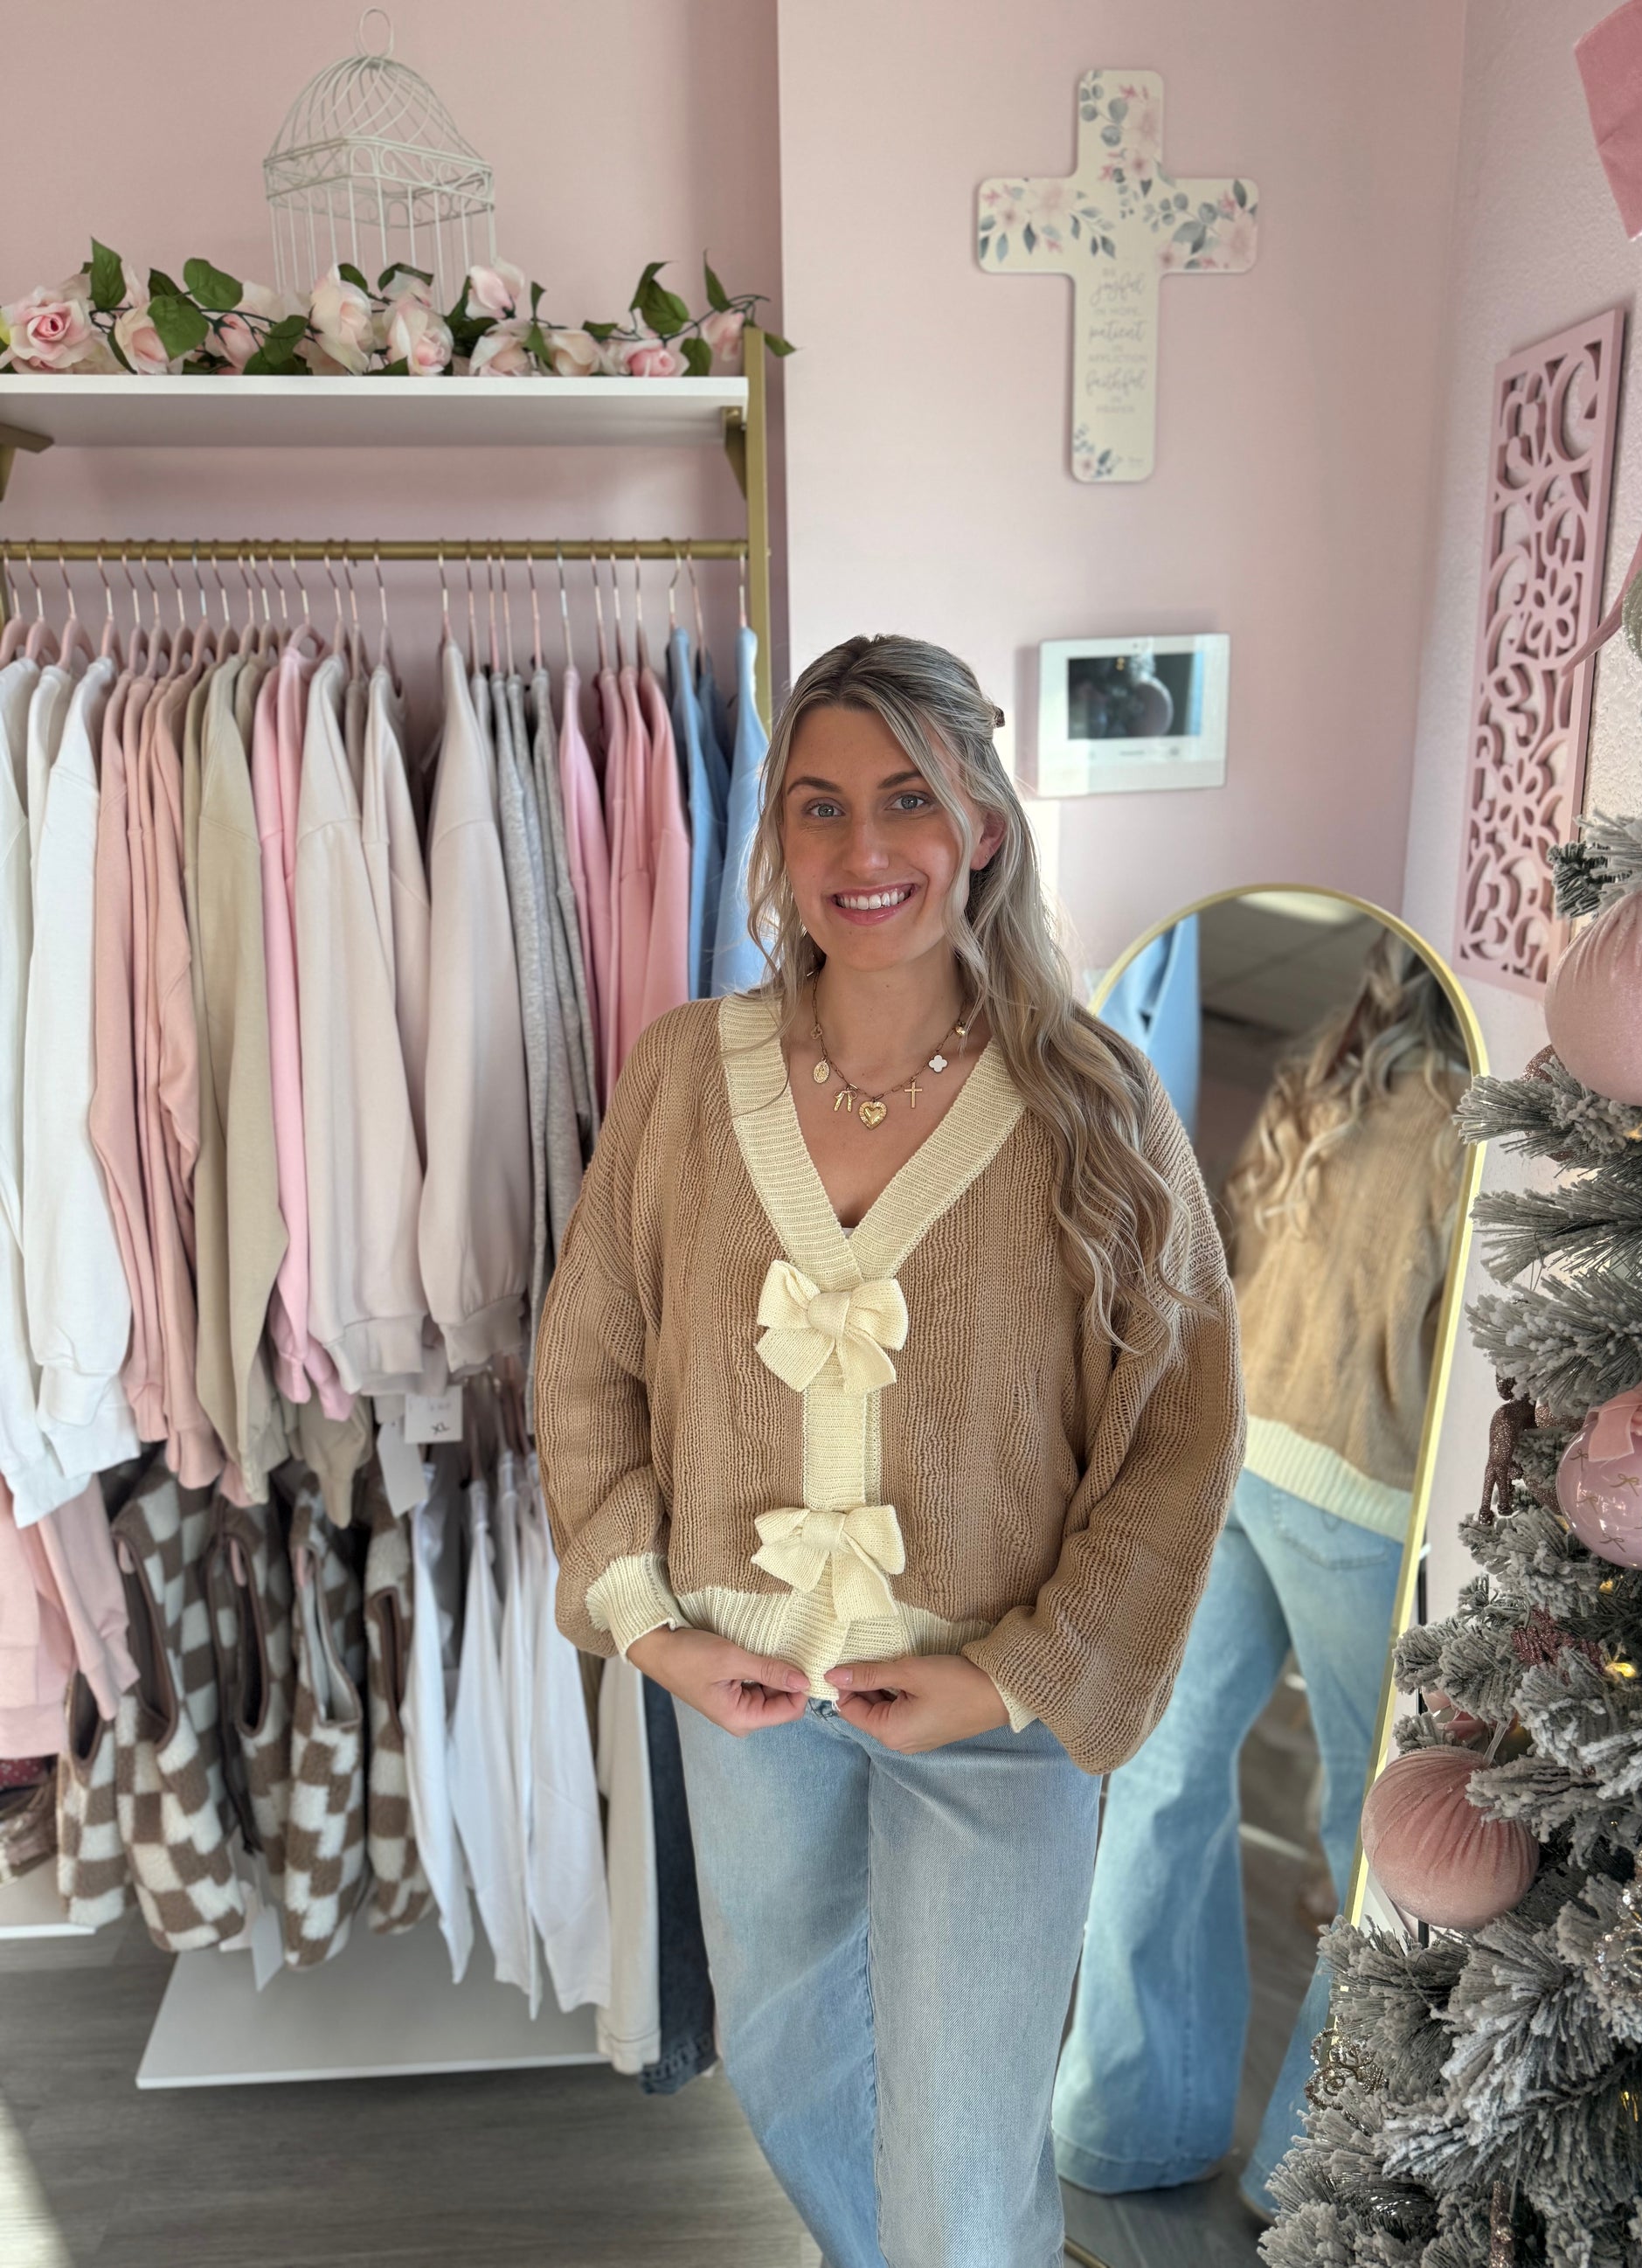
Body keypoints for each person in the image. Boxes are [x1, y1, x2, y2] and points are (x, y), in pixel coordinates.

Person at [535, 633, 1244, 2268]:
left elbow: (1181, 1432)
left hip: (993, 1712)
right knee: (794, 2084)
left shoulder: (1095, 1104)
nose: (865, 848)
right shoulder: (682, 1079)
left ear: (980, 822)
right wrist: (652, 1627)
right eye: (820, 805)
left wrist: (1020, 1676)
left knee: (959, 2165)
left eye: (908, 798)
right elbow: (584, 1368)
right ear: (777, 837)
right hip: (747, 1699)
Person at [1051, 930, 1468, 2219]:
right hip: (1356, 1499)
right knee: (1370, 1834)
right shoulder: (1475, 1121)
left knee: (1163, 1779)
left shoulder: (1322, 1072)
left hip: (1241, 1461)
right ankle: (1303, 2172)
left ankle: (1121, 2125)